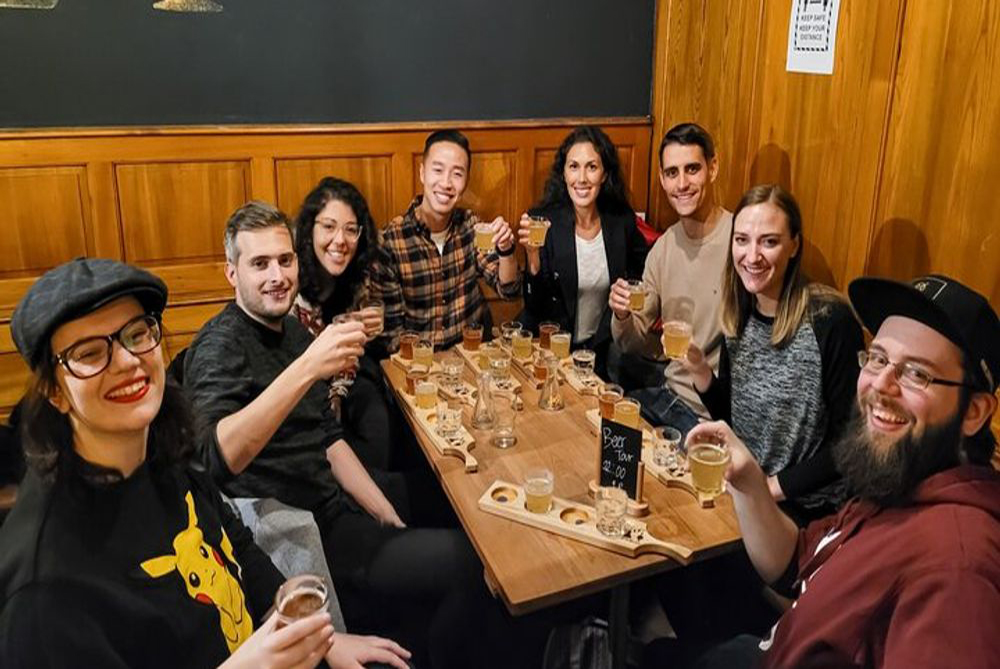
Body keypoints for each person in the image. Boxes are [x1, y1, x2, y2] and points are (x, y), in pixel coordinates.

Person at [0, 258, 408, 669]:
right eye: (90, 353)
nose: (126, 361)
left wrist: (318, 637)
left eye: (137, 334)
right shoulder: (43, 589)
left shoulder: (163, 452)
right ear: (54, 391)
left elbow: (233, 539)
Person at [183, 201, 540, 668]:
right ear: (233, 273)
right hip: (308, 531)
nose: (277, 276)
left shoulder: (290, 329)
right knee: (473, 565)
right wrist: (307, 368)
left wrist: (383, 509)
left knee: (465, 498)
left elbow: (329, 438)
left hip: (338, 502)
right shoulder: (219, 344)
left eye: (285, 260)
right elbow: (215, 458)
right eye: (260, 264)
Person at [646, 273, 1000, 668]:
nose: (881, 385)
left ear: (974, 412)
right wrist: (749, 482)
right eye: (878, 358)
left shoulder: (958, 567)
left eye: (917, 373)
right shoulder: (900, 481)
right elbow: (796, 562)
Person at [684, 184, 862, 519]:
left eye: (769, 241)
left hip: (805, 509)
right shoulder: (737, 312)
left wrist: (769, 489)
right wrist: (701, 372)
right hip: (745, 491)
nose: (752, 256)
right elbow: (733, 418)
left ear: (794, 245)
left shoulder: (830, 320)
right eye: (742, 240)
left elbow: (850, 442)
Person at [609, 122, 733, 432]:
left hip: (711, 414)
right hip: (669, 397)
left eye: (692, 169)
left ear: (713, 168)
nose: (682, 184)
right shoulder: (663, 248)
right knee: (605, 426)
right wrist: (622, 315)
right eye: (672, 173)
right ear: (662, 180)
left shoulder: (739, 241)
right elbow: (634, 341)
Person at [371, 129, 521, 350]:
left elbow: (509, 290)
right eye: (438, 170)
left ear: (466, 181)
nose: (446, 183)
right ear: (422, 173)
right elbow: (391, 336)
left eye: (457, 174)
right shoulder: (390, 242)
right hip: (418, 363)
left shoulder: (471, 226)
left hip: (472, 356)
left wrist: (506, 250)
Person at [519, 125, 648, 378]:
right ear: (564, 173)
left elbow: (641, 274)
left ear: (604, 174)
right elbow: (534, 307)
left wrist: (627, 308)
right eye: (573, 167)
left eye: (592, 167)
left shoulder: (621, 221)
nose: (582, 178)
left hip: (599, 353)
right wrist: (532, 257)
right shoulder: (542, 221)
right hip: (547, 352)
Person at [291, 176, 398, 470]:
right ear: (309, 229)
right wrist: (327, 397)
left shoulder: (357, 278)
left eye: (351, 230)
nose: (340, 240)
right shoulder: (290, 281)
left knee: (379, 427)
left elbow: (351, 351)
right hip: (298, 388)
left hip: (344, 376)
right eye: (328, 227)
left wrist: (338, 390)